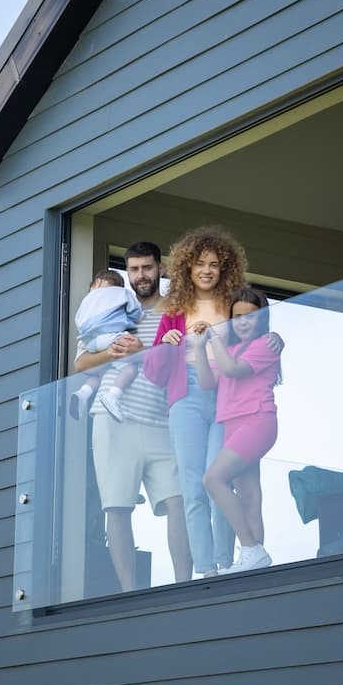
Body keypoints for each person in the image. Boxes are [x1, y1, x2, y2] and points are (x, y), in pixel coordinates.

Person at [74, 242, 192, 592]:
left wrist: (142, 352)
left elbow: (184, 358)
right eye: (135, 269)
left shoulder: (175, 312)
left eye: (148, 268)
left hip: (161, 420)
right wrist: (113, 351)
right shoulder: (111, 306)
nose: (142, 276)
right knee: (117, 507)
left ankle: (184, 587)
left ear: (160, 268)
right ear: (128, 272)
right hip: (113, 421)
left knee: (179, 502)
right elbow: (81, 363)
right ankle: (129, 592)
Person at [144, 227, 247, 579]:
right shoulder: (174, 310)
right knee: (192, 484)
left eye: (214, 264)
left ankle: (227, 561)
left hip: (227, 394)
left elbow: (254, 343)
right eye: (200, 264)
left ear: (224, 268)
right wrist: (167, 344)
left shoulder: (235, 305)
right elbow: (153, 372)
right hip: (185, 395)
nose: (207, 270)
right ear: (187, 268)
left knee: (219, 478)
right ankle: (207, 570)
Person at [197, 287, 282, 573]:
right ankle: (254, 565)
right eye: (237, 317)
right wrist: (199, 346)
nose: (243, 322)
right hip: (233, 425)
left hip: (256, 421)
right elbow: (208, 382)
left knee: (213, 479)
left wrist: (213, 337)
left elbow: (233, 370)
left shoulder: (265, 346)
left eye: (250, 316)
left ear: (261, 319)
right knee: (249, 496)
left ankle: (250, 548)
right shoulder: (230, 350)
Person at [69, 270, 143, 419]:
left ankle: (83, 393)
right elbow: (135, 312)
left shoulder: (86, 301)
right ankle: (113, 395)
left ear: (94, 285)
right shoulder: (121, 293)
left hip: (88, 340)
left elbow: (80, 364)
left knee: (98, 373)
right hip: (109, 336)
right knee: (130, 367)